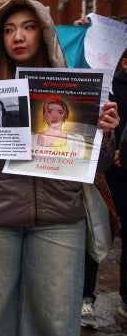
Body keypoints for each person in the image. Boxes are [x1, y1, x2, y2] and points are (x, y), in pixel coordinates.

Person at [0, 0, 119, 336]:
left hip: (59, 220)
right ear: (0, 39)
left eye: (28, 27)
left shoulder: (77, 91)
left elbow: (98, 165)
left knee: (56, 322)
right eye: (9, 29)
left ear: (44, 33)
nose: (18, 36)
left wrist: (104, 133)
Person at [82, 46, 127, 329]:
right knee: (96, 235)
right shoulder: (110, 88)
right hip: (107, 175)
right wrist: (116, 146)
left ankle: (125, 300)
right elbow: (98, 122)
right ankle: (86, 298)